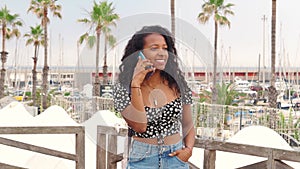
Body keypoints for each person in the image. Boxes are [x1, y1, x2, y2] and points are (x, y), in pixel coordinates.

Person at [113, 25, 195, 169]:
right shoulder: (123, 88)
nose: (162, 53)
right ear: (139, 54)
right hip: (143, 160)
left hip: (175, 158)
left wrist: (188, 150)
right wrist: (136, 83)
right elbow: (140, 126)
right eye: (154, 48)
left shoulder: (177, 83)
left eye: (164, 48)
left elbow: (188, 123)